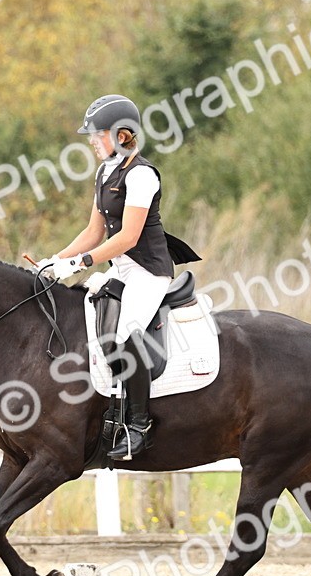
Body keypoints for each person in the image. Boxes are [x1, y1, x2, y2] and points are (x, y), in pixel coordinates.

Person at [47, 94, 199, 460]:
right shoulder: (104, 172)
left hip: (149, 272)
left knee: (126, 331)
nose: (92, 142)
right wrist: (55, 261)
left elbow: (128, 237)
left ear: (123, 135)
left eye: (97, 135)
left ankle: (139, 426)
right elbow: (93, 232)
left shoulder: (142, 175)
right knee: (87, 318)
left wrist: (81, 262)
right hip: (122, 269)